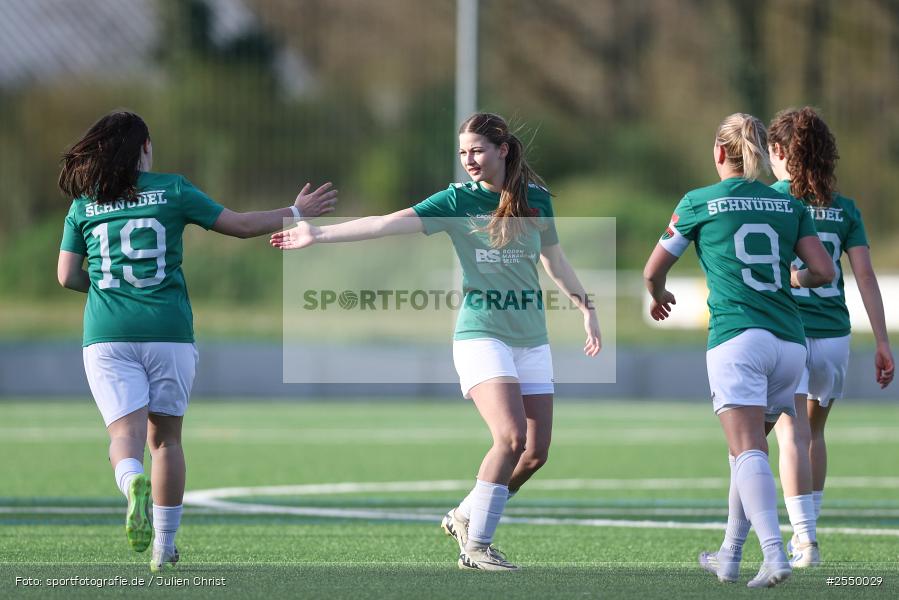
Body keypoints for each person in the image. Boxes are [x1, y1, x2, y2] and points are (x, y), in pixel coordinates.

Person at [272, 112, 601, 571]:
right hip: (481, 334)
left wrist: (586, 307)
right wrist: (319, 233)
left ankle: (465, 515)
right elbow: (384, 223)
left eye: (478, 150)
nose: (469, 159)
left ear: (503, 150)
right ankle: (477, 547)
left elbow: (555, 261)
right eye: (463, 152)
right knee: (508, 437)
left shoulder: (538, 201)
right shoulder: (455, 201)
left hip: (532, 338)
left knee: (534, 453)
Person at [57, 110, 336, 571]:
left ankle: (131, 485)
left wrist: (108, 287)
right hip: (169, 333)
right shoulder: (173, 189)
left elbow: (67, 275)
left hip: (107, 336)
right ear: (144, 147)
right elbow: (242, 226)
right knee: (165, 441)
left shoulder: (84, 204)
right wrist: (295, 212)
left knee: (123, 436)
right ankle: (164, 547)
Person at [643, 113, 834, 588]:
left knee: (746, 449)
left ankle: (774, 554)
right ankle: (729, 554)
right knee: (746, 454)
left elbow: (653, 271)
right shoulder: (787, 204)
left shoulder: (697, 202)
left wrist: (659, 294)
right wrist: (797, 277)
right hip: (790, 343)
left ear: (720, 152)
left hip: (737, 338)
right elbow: (824, 271)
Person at [766, 107, 894, 567]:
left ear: (780, 152)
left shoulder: (773, 201)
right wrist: (882, 341)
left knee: (790, 436)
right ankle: (810, 535)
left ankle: (804, 541)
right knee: (815, 433)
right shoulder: (846, 208)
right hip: (836, 336)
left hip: (788, 332)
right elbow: (865, 277)